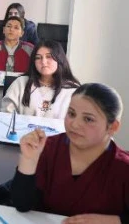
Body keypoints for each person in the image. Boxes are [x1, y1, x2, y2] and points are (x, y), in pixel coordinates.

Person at [12, 83, 129, 222]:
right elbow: (22, 204)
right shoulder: (47, 148)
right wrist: (28, 159)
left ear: (112, 127)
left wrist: (114, 221)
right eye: (71, 114)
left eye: (88, 119)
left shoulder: (123, 167)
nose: (74, 124)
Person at [1, 40, 80, 118]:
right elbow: (6, 114)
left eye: (49, 56)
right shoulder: (21, 83)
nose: (43, 62)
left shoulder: (73, 91)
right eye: (38, 58)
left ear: (60, 59)